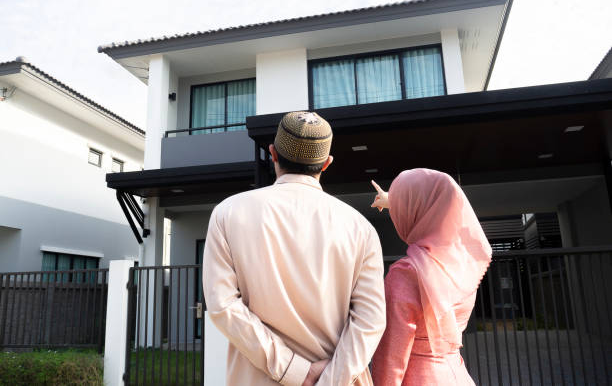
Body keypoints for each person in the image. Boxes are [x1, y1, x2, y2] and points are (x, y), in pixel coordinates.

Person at [203, 111, 386, 386]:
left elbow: (222, 306)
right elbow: (370, 322)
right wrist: (328, 380)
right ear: (326, 163)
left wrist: (295, 371)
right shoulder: (360, 228)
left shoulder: (228, 213)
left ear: (273, 153)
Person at [370, 169, 491, 385]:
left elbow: (391, 358)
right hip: (457, 374)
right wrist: (392, 200)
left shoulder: (407, 273)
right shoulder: (462, 262)